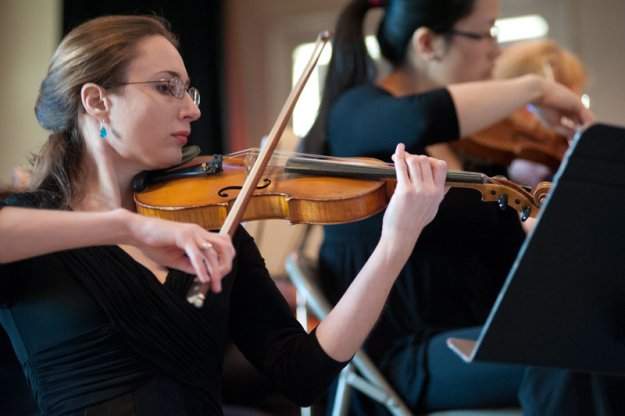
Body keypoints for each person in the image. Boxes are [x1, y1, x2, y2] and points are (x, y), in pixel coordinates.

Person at [0, 14, 449, 415]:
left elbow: (303, 375)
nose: (192, 109)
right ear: (97, 100)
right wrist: (124, 224)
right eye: (165, 87)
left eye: (188, 90)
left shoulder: (210, 225)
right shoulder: (31, 225)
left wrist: (394, 244)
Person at [299, 0, 614, 415]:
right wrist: (535, 88)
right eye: (485, 33)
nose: (496, 51)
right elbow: (421, 117)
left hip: (475, 337)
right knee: (574, 356)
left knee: (606, 340)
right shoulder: (355, 114)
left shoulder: (470, 149)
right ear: (428, 43)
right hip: (404, 357)